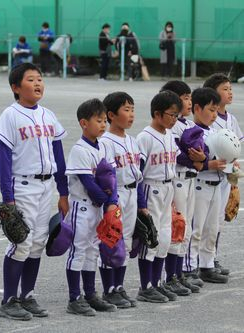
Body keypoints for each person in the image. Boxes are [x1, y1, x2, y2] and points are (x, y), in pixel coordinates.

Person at [0, 63, 69, 320]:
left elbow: (59, 156)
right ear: (16, 87)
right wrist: (8, 199)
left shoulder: (48, 115)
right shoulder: (10, 115)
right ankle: (8, 300)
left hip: (46, 186)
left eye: (40, 79)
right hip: (22, 186)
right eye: (31, 80)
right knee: (21, 243)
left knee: (37, 243)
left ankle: (28, 295)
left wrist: (64, 192)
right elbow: (4, 161)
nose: (38, 84)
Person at [64, 99, 119, 316]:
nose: (103, 125)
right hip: (82, 207)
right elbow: (88, 183)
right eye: (99, 120)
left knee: (92, 251)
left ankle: (90, 294)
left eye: (105, 120)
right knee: (78, 250)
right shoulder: (79, 149)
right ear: (84, 123)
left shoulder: (104, 145)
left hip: (99, 207)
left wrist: (112, 202)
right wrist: (108, 203)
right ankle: (74, 298)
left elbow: (112, 177)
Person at [135, 91, 181, 303]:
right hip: (150, 188)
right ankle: (146, 287)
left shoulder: (170, 135)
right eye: (171, 114)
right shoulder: (145, 137)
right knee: (151, 238)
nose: (174, 119)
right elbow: (138, 171)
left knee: (164, 238)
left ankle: (157, 283)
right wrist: (140, 203)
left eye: (176, 115)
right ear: (157, 113)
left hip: (167, 188)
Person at [159, 81, 205, 294]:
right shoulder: (171, 126)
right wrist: (196, 162)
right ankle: (169, 277)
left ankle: (177, 275)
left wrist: (202, 159)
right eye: (184, 98)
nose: (189, 101)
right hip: (176, 179)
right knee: (176, 228)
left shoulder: (187, 125)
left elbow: (200, 151)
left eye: (189, 97)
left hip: (190, 180)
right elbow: (178, 155)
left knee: (185, 230)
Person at [100, 92, 143, 308]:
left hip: (132, 194)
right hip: (116, 197)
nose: (131, 114)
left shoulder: (133, 141)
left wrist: (142, 204)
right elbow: (105, 176)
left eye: (132, 109)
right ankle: (108, 289)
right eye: (126, 110)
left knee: (125, 242)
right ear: (111, 115)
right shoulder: (105, 142)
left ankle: (119, 286)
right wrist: (111, 201)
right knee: (111, 240)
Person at [185, 87, 228, 284]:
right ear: (197, 108)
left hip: (216, 184)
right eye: (210, 110)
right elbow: (194, 160)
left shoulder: (215, 131)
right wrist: (209, 162)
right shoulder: (193, 133)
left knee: (212, 228)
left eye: (216, 110)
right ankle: (189, 267)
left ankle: (207, 264)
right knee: (196, 228)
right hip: (200, 184)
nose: (214, 114)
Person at [203, 73, 243, 277]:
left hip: (226, 176)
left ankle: (211, 257)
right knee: (207, 221)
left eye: (230, 88)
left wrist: (234, 174)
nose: (230, 92)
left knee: (218, 221)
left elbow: (235, 147)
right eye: (225, 89)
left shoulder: (231, 119)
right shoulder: (209, 118)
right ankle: (202, 261)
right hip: (211, 174)